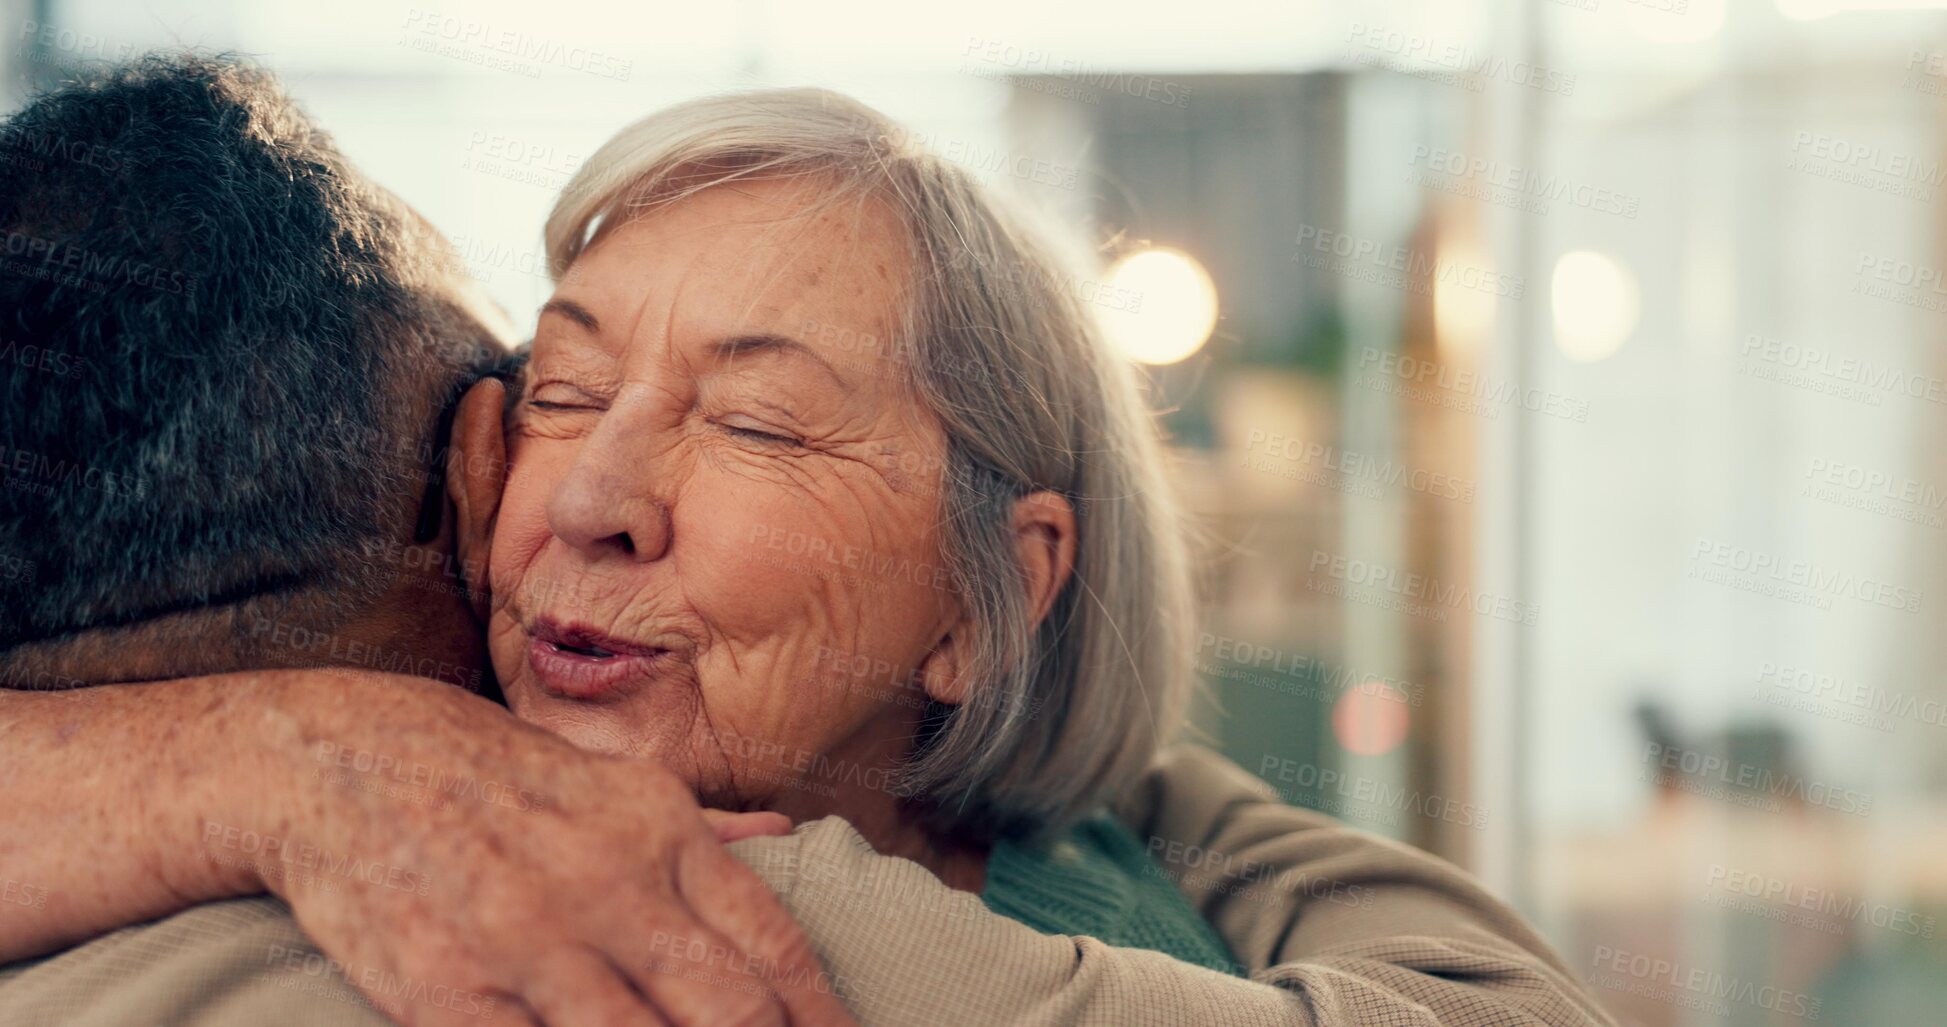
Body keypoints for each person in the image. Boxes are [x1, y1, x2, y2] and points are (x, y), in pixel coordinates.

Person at [0, 55, 1615, 1027]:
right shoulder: (367, 906)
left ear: (994, 596)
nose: (583, 496)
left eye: (761, 424)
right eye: (558, 390)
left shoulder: (1114, 870)